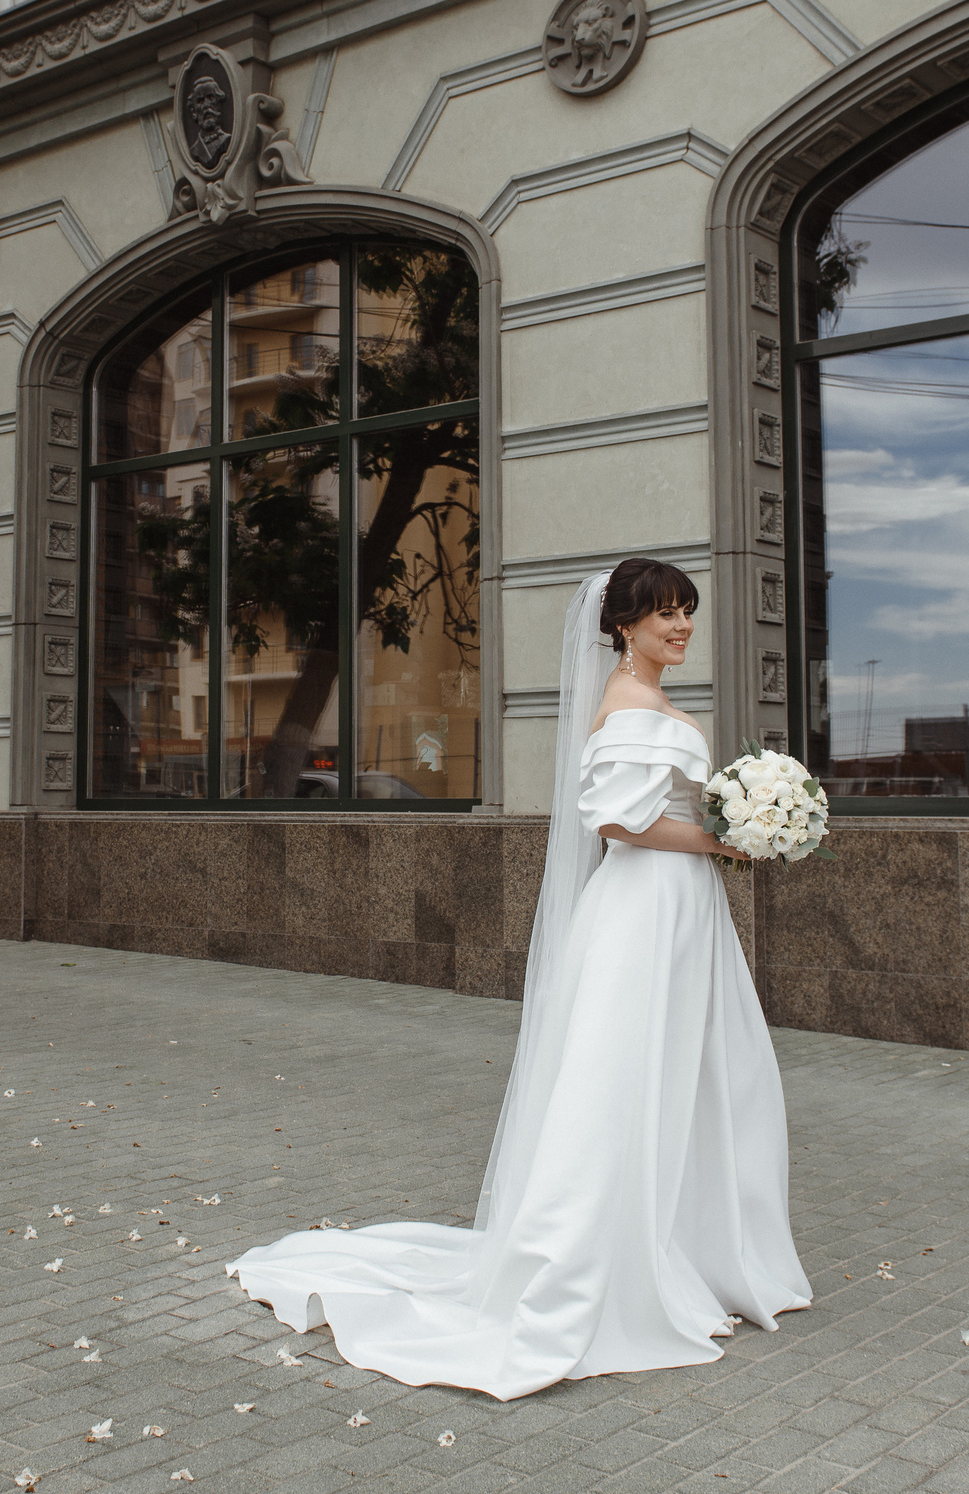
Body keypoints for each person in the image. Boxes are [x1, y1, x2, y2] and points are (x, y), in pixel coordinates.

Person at [226, 559, 813, 1399]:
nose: (681, 626)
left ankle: (693, 1244)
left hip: (681, 913)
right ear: (624, 626)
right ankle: (614, 1258)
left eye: (686, 611)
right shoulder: (632, 703)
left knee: (703, 1075)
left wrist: (735, 826)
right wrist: (728, 840)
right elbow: (620, 819)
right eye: (664, 615)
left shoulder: (645, 699)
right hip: (648, 909)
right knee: (625, 1079)